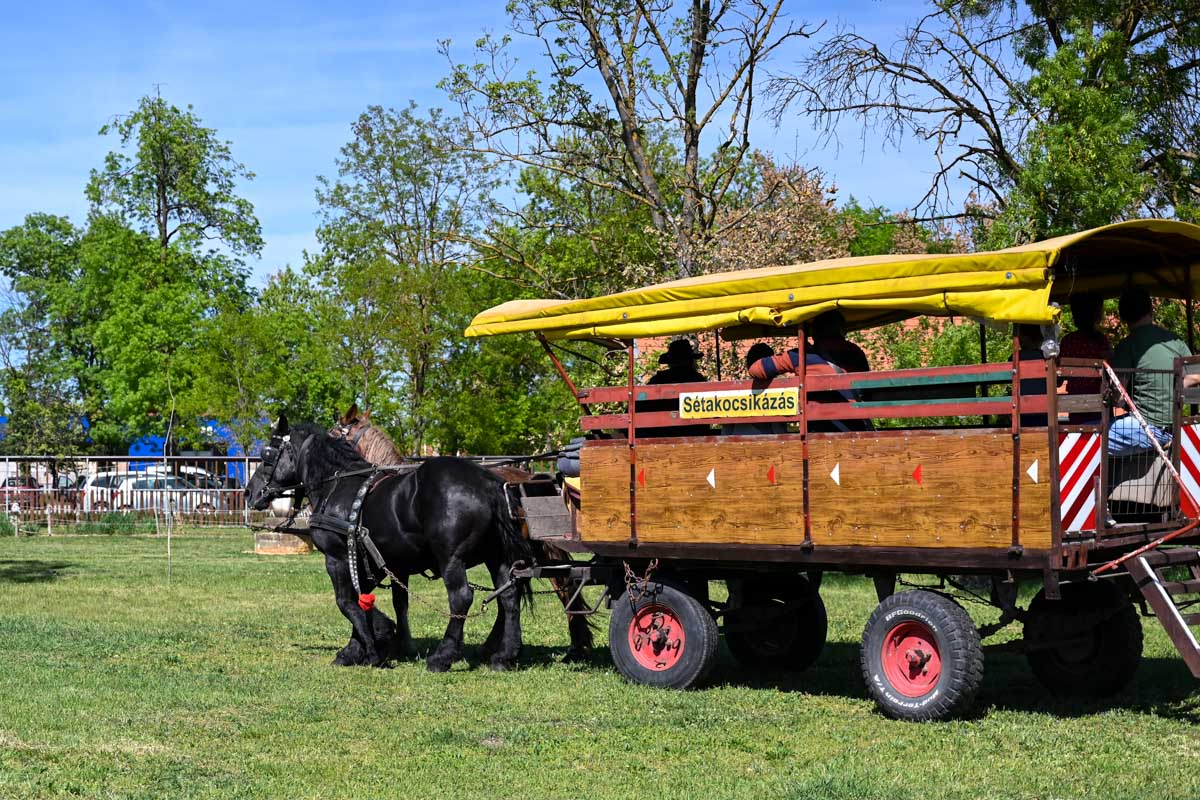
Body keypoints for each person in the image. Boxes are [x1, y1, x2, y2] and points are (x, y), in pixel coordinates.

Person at [1108, 287, 1200, 455]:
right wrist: (1175, 386)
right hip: (1175, 426)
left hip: (1147, 429)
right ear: (1151, 309)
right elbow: (1196, 375)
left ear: (1123, 317)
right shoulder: (1175, 340)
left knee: (1092, 436)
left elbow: (1119, 399)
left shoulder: (1127, 346)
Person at [637, 338, 710, 437]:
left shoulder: (658, 380)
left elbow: (638, 405)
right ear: (691, 360)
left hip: (662, 436)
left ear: (670, 362)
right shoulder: (698, 379)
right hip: (696, 434)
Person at [1059, 293, 1112, 423]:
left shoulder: (1068, 341)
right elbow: (1111, 371)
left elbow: (1060, 377)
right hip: (1099, 403)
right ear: (1097, 315)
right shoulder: (1102, 341)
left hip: (1075, 404)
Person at [723, 343, 788, 436]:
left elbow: (726, 432)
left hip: (736, 443)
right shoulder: (777, 393)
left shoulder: (736, 392)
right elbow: (780, 432)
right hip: (767, 444)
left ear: (748, 365)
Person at [1014, 324, 1048, 427]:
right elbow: (1058, 383)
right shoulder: (1045, 357)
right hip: (1043, 408)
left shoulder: (1014, 358)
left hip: (1022, 408)